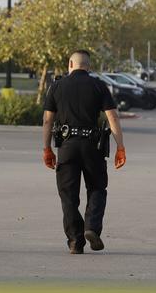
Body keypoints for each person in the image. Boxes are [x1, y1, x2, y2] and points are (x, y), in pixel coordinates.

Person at [42, 50, 126, 254]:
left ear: (70, 64)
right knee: (97, 188)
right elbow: (112, 117)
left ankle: (75, 241)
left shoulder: (56, 86)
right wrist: (120, 147)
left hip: (67, 147)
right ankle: (92, 228)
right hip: (92, 146)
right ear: (88, 66)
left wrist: (46, 148)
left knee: (68, 196)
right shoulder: (98, 85)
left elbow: (47, 120)